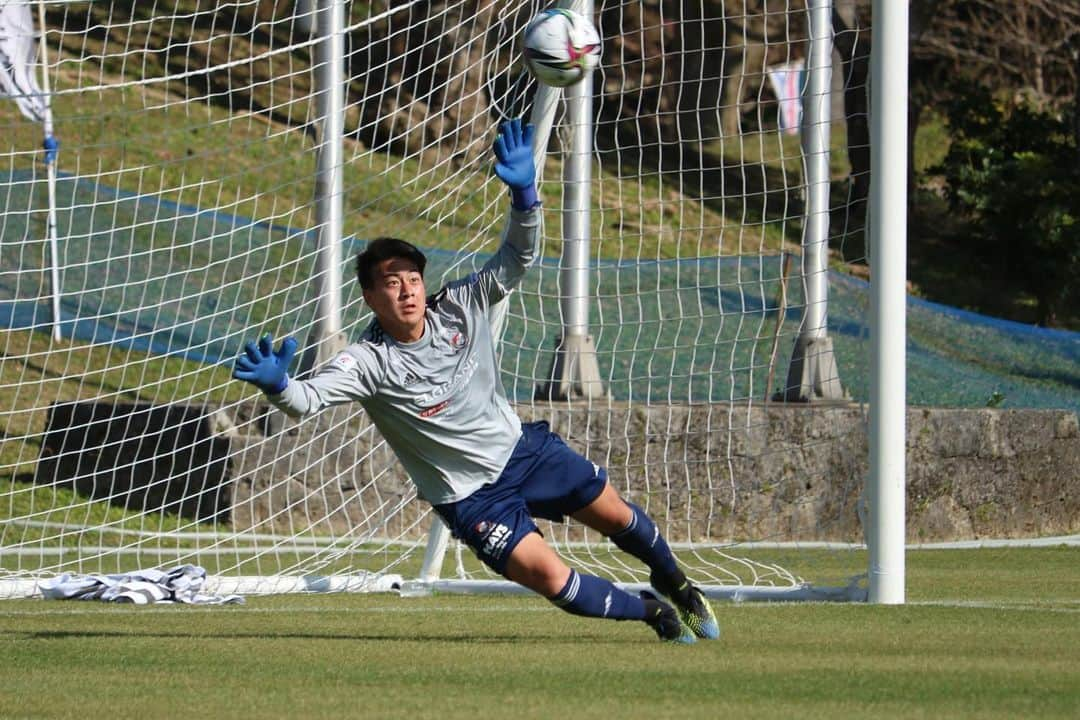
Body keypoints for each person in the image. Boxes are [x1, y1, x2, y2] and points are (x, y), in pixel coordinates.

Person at [232, 118, 719, 644]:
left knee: (617, 515)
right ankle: (652, 614)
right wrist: (278, 384)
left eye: (413, 279)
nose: (407, 291)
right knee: (552, 579)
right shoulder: (366, 362)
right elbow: (306, 401)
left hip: (522, 452)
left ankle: (674, 580)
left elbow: (518, 257)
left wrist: (526, 198)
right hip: (471, 499)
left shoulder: (460, 305)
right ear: (371, 298)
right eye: (392, 284)